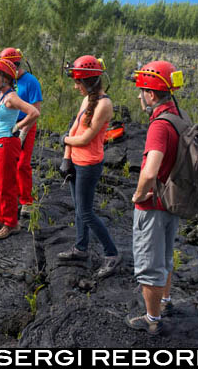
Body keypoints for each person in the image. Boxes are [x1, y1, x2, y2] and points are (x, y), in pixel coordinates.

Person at [124, 60, 183, 336]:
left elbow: (151, 168)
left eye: (141, 90)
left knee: (150, 264)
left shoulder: (159, 126)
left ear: (151, 94)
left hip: (154, 204)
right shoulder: (177, 115)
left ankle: (152, 319)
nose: (139, 96)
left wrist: (138, 194)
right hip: (172, 200)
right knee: (166, 256)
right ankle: (166, 301)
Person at [57, 55, 121, 279]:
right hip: (76, 160)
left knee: (85, 212)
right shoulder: (87, 100)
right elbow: (74, 129)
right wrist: (67, 157)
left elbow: (85, 138)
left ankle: (112, 254)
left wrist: (65, 141)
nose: (76, 87)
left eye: (78, 82)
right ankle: (80, 248)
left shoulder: (104, 104)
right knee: (78, 208)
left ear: (91, 81)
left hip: (89, 164)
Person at [0, 56, 39, 239]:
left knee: (7, 184)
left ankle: (11, 223)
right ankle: (1, 218)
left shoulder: (12, 97)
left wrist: (17, 127)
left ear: (6, 78)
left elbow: (34, 112)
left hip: (7, 143)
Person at [0, 48, 43, 217]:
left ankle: (27, 201)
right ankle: (13, 196)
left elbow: (36, 110)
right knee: (8, 164)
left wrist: (23, 131)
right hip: (8, 125)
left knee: (22, 164)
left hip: (26, 125)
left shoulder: (31, 82)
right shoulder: (7, 81)